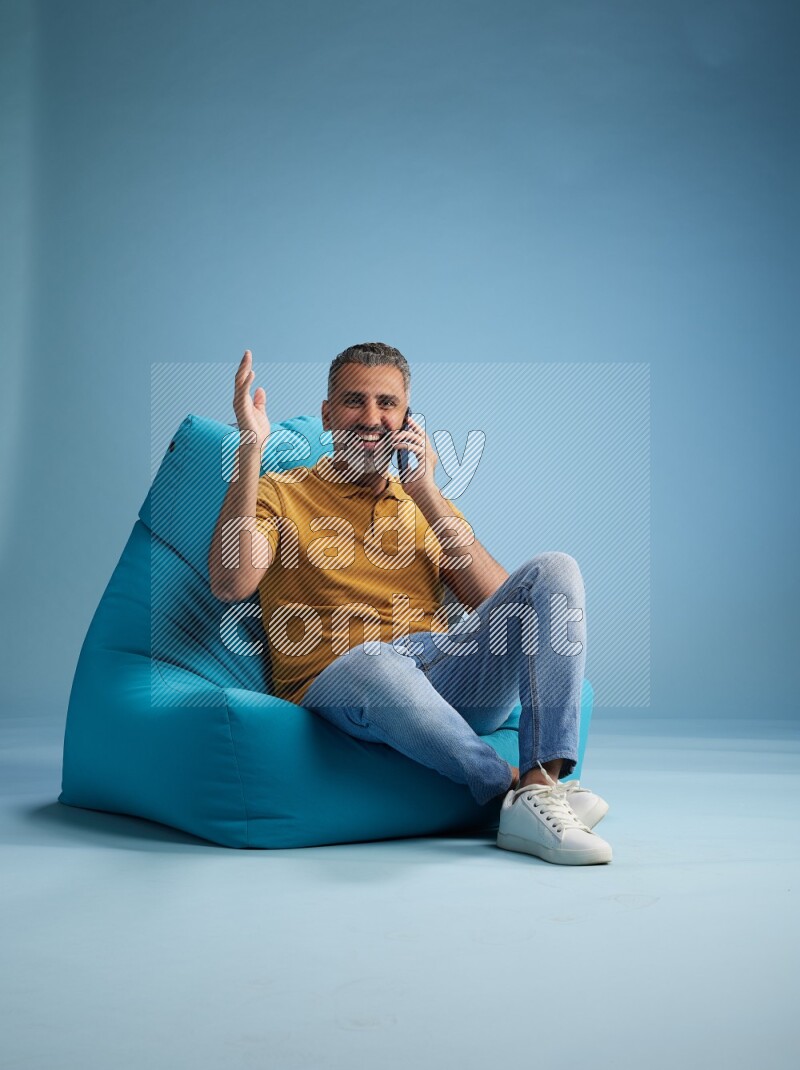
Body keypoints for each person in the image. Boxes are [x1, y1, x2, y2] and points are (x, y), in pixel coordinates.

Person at [208, 343, 612, 865]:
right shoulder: (280, 492)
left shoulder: (424, 504)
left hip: (440, 674)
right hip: (345, 681)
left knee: (555, 568)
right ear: (327, 414)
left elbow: (505, 607)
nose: (371, 418)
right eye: (353, 401)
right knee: (377, 660)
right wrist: (250, 447)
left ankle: (540, 785)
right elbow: (232, 583)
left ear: (406, 418)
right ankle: (507, 785)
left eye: (387, 404)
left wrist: (426, 492)